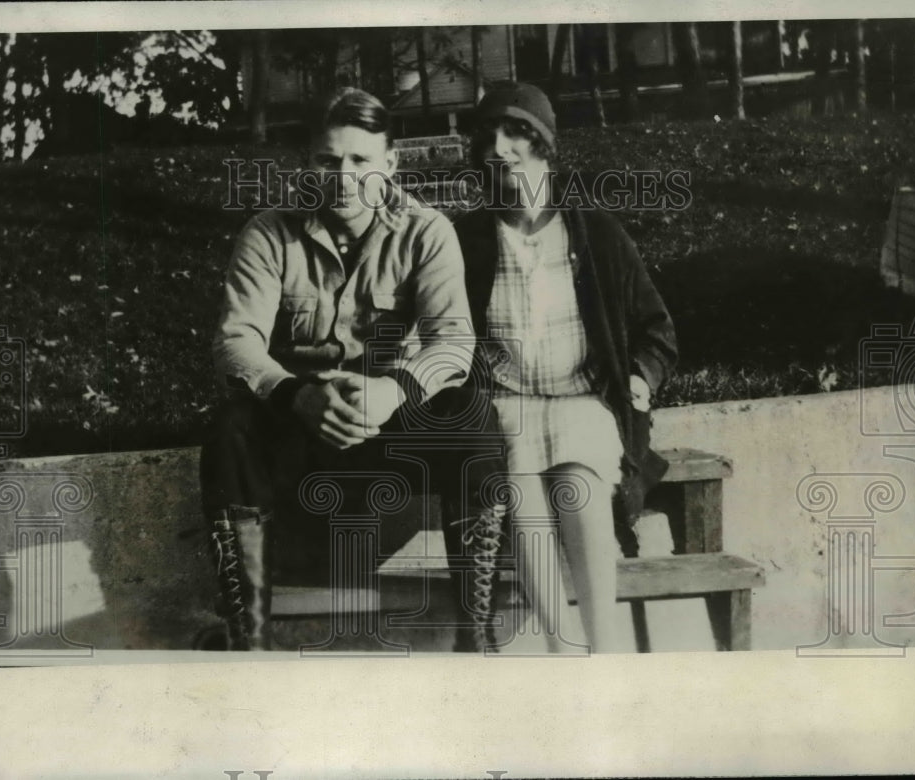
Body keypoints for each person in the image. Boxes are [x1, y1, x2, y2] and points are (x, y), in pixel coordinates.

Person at [200, 87, 507, 652]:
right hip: (302, 432)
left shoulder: (426, 231)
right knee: (230, 429)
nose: (343, 176)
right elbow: (235, 342)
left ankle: (477, 634)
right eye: (328, 159)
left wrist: (394, 391)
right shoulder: (269, 233)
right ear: (308, 163)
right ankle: (250, 644)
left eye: (361, 161)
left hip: (392, 427)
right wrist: (295, 395)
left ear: (390, 164)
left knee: (471, 414)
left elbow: (453, 342)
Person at [453, 82, 678, 653]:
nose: (500, 150)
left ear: (544, 147)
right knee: (523, 493)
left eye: (516, 135)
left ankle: (604, 652)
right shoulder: (467, 241)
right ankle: (563, 652)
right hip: (506, 403)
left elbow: (658, 330)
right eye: (490, 138)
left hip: (583, 400)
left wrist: (640, 377)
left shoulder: (596, 234)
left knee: (578, 485)